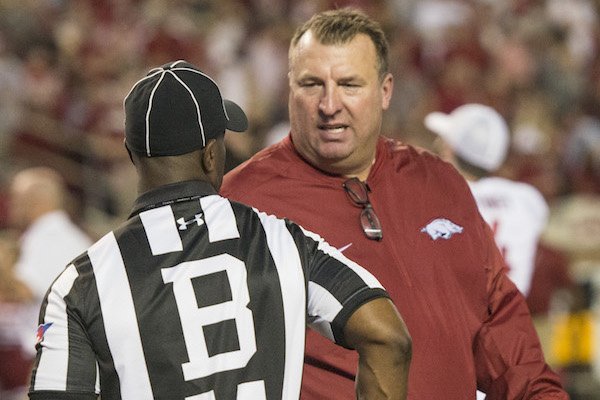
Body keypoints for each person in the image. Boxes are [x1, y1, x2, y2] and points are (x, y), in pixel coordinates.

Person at [221, 8, 568, 399]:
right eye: (312, 84)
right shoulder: (241, 203)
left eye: (350, 84)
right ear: (289, 88)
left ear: (385, 91)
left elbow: (498, 327)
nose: (329, 104)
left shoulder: (440, 182)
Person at [28, 60, 411, 400]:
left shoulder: (80, 284)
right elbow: (387, 336)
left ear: (132, 155)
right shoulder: (284, 243)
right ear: (212, 154)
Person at [424, 103, 549, 297]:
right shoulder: (526, 198)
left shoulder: (440, 198)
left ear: (449, 150)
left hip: (458, 319)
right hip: (512, 320)